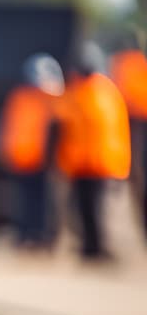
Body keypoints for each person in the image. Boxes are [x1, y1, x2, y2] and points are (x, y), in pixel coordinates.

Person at [56, 42, 132, 262]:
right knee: (82, 208)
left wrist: (122, 165)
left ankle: (99, 247)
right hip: (81, 163)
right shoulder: (77, 91)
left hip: (103, 163)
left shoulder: (106, 92)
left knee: (100, 209)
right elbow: (63, 124)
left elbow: (118, 131)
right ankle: (89, 246)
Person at [0, 54, 63, 250]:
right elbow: (10, 127)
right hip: (22, 159)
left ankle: (43, 236)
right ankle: (25, 234)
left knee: (44, 201)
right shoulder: (19, 97)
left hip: (44, 161)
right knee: (24, 201)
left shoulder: (52, 99)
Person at [111, 33, 147, 234]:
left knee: (136, 176)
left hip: (131, 122)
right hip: (135, 121)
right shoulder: (138, 63)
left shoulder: (121, 64)